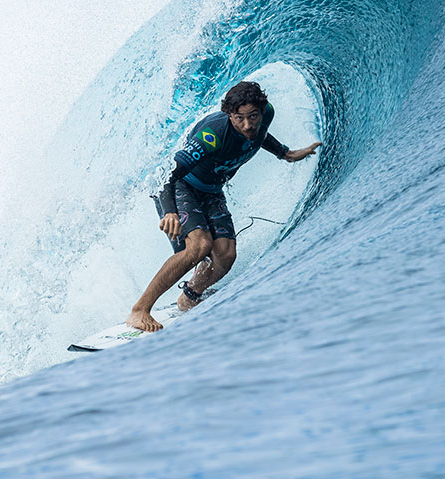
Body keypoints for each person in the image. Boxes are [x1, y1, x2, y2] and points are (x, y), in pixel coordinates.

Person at [125, 81, 322, 332]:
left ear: (262, 110)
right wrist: (171, 212)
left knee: (226, 255)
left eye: (253, 116)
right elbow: (168, 174)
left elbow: (258, 135)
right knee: (199, 246)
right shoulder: (212, 134)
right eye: (239, 118)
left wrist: (284, 153)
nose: (248, 124)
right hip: (181, 186)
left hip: (212, 190)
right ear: (229, 115)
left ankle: (189, 296)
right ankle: (139, 310)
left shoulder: (266, 114)